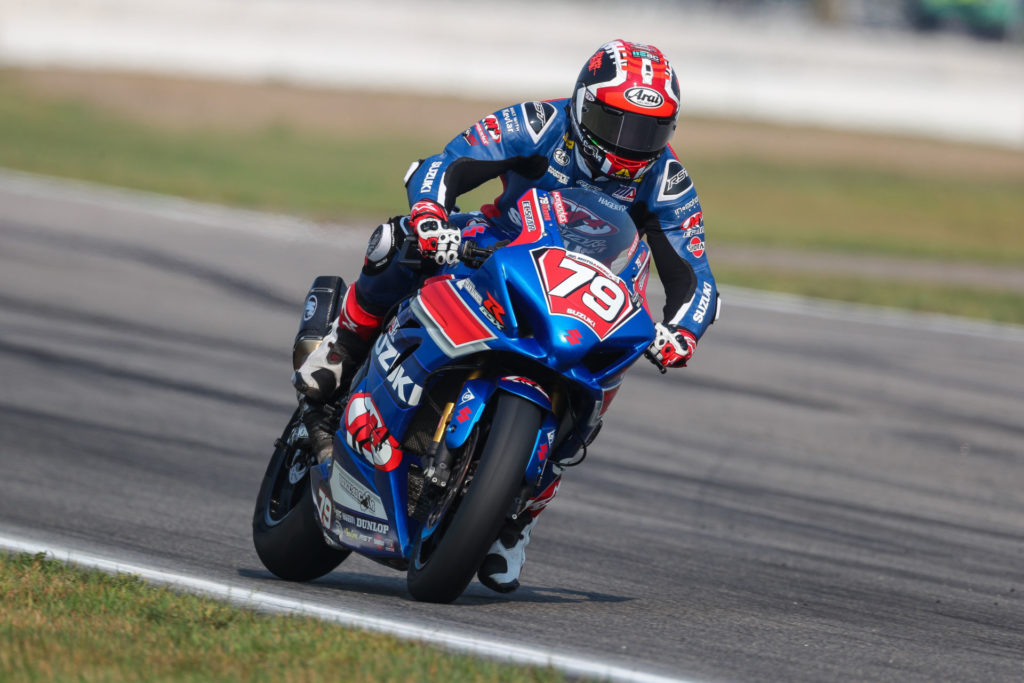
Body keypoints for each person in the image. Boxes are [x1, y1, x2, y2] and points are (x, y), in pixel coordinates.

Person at [293, 39, 720, 593]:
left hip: (586, 290)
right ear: (583, 105)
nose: (627, 145)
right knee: (400, 241)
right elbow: (446, 164)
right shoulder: (540, 122)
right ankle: (344, 344)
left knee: (612, 364)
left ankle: (519, 513)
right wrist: (429, 214)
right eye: (615, 122)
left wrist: (681, 332)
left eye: (647, 132)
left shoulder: (666, 179)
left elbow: (697, 279)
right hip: (503, 243)